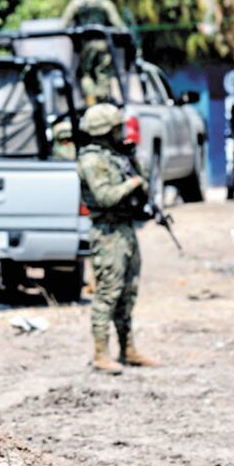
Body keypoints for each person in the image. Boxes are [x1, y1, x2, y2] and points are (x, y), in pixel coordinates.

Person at [76, 104, 158, 373]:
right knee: (108, 293)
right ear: (104, 131)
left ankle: (128, 349)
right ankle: (101, 354)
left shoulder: (116, 156)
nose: (120, 132)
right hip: (107, 233)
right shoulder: (92, 160)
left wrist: (136, 165)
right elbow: (104, 197)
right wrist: (132, 184)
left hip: (125, 228)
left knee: (128, 292)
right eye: (116, 128)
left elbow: (142, 183)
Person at [61, 0, 126, 104]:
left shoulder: (76, 3)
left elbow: (63, 25)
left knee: (86, 75)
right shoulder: (105, 3)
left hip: (85, 46)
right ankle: (103, 102)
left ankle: (91, 102)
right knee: (103, 74)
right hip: (103, 44)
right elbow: (119, 26)